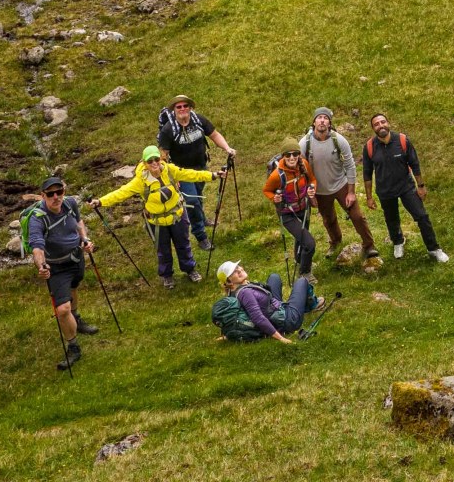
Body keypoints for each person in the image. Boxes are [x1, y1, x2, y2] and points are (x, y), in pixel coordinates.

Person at [94, 145, 216, 286]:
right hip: (156, 222)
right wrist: (100, 202)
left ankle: (190, 270)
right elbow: (121, 193)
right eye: (150, 161)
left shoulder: (170, 170)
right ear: (144, 163)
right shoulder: (140, 181)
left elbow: (191, 174)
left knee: (183, 245)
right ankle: (167, 276)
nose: (154, 163)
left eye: (156, 159)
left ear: (160, 158)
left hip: (177, 216)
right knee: (162, 250)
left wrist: (213, 175)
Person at [26, 176, 96, 370]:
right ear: (43, 196)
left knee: (74, 286)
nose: (56, 197)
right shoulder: (37, 219)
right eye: (50, 194)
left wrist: (85, 240)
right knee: (62, 310)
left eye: (60, 192)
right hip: (56, 267)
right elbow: (37, 247)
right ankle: (74, 347)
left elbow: (79, 222)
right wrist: (41, 266)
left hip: (75, 258)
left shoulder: (70, 203)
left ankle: (77, 319)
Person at [362, 112, 447, 262]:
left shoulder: (402, 140)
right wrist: (369, 197)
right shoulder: (369, 146)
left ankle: (434, 248)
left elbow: (414, 164)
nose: (380, 125)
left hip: (406, 187)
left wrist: (421, 186)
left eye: (383, 122)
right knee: (391, 219)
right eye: (376, 124)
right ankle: (398, 242)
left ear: (388, 123)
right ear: (373, 129)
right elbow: (367, 174)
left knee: (422, 216)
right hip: (385, 190)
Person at [299, 107, 379, 264]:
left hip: (341, 185)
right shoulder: (304, 144)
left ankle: (369, 245)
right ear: (314, 122)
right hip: (320, 190)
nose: (322, 120)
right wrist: (311, 193)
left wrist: (351, 192)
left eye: (325, 118)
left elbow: (350, 165)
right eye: (319, 118)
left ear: (329, 123)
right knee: (328, 219)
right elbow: (301, 171)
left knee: (357, 216)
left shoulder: (339, 140)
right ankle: (335, 242)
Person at [157, 94, 236, 246]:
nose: (182, 109)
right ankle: (201, 236)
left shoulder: (198, 120)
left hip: (201, 167)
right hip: (182, 173)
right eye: (178, 107)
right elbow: (163, 156)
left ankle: (202, 218)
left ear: (190, 107)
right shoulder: (168, 130)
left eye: (185, 106)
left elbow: (214, 134)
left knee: (198, 195)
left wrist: (227, 148)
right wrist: (171, 178)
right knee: (192, 201)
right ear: (174, 110)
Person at [213, 260, 317, 343]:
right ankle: (312, 305)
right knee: (302, 281)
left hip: (271, 308)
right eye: (234, 272)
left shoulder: (232, 292)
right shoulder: (245, 293)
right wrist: (281, 338)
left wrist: (225, 336)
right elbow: (257, 318)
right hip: (286, 320)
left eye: (237, 267)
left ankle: (301, 305)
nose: (239, 269)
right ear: (229, 281)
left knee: (274, 277)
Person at [263, 143, 319, 277]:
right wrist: (274, 198)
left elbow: (312, 180)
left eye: (295, 154)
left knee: (301, 238)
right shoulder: (277, 175)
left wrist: (312, 189)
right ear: (283, 156)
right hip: (287, 214)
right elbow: (266, 190)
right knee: (309, 243)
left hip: (304, 208)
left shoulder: (304, 164)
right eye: (288, 155)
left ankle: (300, 260)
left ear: (299, 155)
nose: (292, 157)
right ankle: (305, 273)